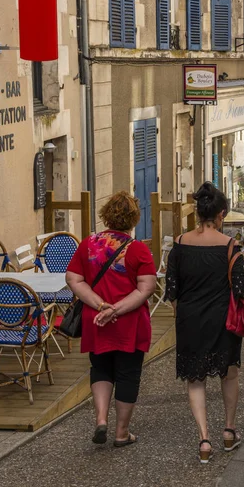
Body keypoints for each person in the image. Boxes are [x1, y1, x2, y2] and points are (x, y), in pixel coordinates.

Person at [165, 182, 244, 464]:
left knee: (196, 380)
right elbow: (240, 287)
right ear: (222, 214)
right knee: (229, 374)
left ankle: (204, 439)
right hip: (222, 320)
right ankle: (228, 430)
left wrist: (182, 315)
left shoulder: (179, 244)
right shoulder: (229, 246)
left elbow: (172, 289)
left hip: (190, 320)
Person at [66, 192, 157, 447]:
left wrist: (99, 305)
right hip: (128, 323)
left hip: (95, 320)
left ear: (106, 214)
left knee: (101, 368)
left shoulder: (88, 244)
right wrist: (114, 310)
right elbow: (146, 288)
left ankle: (101, 420)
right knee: (128, 375)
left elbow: (73, 278)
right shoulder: (138, 249)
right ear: (134, 219)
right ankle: (121, 432)